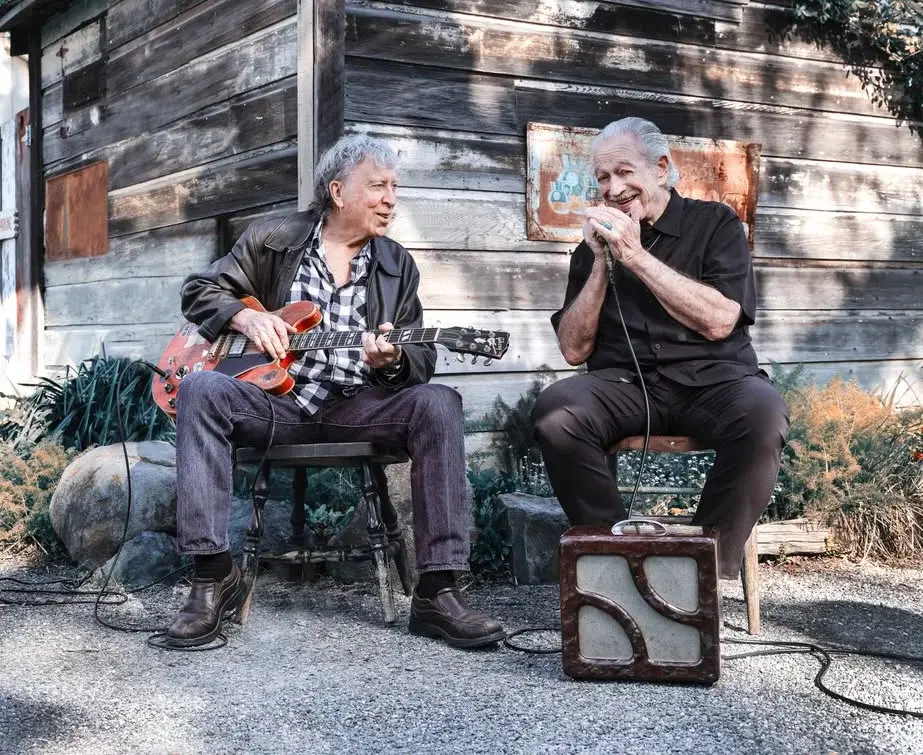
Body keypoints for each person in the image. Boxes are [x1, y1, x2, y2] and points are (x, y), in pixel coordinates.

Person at [165, 135, 505, 649]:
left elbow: (423, 359)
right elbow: (199, 291)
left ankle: (438, 591)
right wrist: (247, 316)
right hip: (275, 402)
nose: (391, 198)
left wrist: (392, 362)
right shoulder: (273, 237)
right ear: (338, 191)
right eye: (378, 186)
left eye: (395, 187)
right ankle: (213, 576)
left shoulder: (396, 264)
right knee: (201, 388)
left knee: (439, 403)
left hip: (357, 405)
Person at [533, 117, 789, 579]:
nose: (613, 188)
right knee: (556, 413)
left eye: (625, 172)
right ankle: (616, 561)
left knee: (763, 415)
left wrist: (634, 256)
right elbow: (573, 350)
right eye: (603, 178)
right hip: (626, 385)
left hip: (713, 380)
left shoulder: (714, 224)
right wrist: (600, 264)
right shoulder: (592, 248)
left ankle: (701, 572)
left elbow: (719, 320)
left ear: (662, 168)